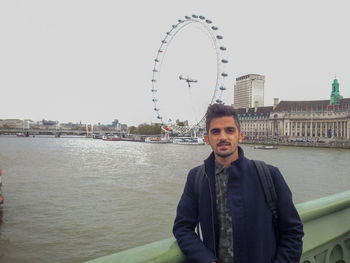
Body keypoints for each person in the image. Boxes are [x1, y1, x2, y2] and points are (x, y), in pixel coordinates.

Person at [173, 104, 304, 263]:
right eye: (215, 131)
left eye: (229, 130)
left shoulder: (269, 175)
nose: (223, 137)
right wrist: (206, 259)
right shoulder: (197, 178)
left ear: (240, 136)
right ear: (207, 139)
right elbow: (182, 227)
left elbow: (293, 232)